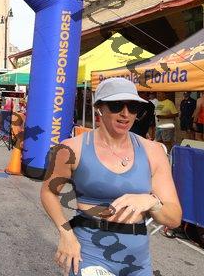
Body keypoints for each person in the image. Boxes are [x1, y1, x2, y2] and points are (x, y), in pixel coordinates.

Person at [41, 77, 182, 276]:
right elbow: (48, 192)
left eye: (133, 107)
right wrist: (66, 234)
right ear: (99, 108)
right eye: (116, 105)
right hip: (89, 252)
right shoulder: (72, 148)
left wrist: (152, 202)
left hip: (137, 261)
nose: (125, 114)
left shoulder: (153, 151)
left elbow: (174, 219)